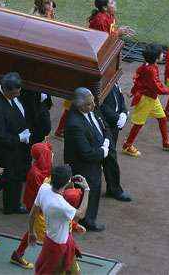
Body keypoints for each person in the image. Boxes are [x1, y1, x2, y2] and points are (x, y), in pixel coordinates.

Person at [64, 87, 112, 232]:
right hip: (84, 166)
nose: (93, 106)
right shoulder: (74, 124)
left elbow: (102, 126)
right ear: (80, 105)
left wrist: (106, 140)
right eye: (89, 104)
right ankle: (87, 221)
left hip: (93, 160)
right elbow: (86, 153)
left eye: (92, 103)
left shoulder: (88, 110)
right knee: (89, 191)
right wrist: (103, 151)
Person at [122, 43, 169, 157]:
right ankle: (127, 145)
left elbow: (139, 77)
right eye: (161, 53)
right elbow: (159, 88)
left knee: (162, 118)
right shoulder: (151, 70)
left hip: (151, 98)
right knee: (138, 124)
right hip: (146, 99)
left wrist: (134, 90)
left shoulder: (146, 65)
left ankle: (166, 142)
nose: (163, 54)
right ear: (156, 57)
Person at [0, 72, 31, 214]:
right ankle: (6, 205)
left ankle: (9, 203)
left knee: (11, 175)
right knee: (8, 176)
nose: (17, 96)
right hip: (4, 148)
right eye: (14, 94)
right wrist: (19, 138)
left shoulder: (11, 92)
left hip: (17, 143)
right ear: (6, 90)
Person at [30, 165, 90, 274]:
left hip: (54, 241)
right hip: (59, 248)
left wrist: (31, 232)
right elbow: (81, 214)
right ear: (67, 182)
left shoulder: (44, 188)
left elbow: (32, 214)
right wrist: (86, 189)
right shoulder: (62, 205)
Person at [10, 142, 54, 269]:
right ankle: (50, 261)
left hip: (42, 204)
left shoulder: (44, 165)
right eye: (48, 153)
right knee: (48, 234)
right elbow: (42, 192)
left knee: (35, 229)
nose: (50, 155)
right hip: (37, 205)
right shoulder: (35, 173)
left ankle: (18, 254)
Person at [98, 84, 132, 202]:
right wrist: (117, 118)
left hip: (113, 126)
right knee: (110, 157)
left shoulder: (114, 81)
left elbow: (121, 99)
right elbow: (100, 105)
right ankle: (114, 189)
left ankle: (112, 188)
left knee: (109, 157)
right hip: (104, 125)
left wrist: (124, 112)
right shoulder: (102, 82)